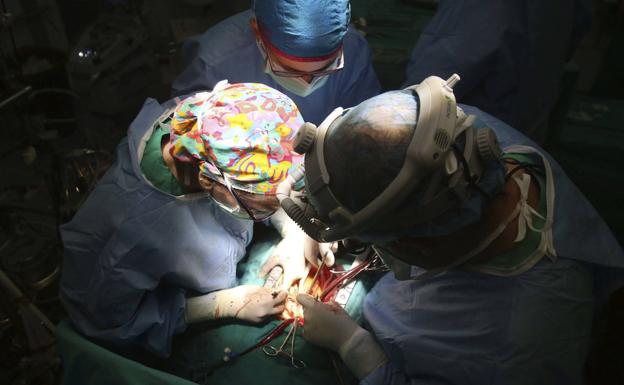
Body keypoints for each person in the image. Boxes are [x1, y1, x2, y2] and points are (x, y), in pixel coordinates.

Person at [282, 75, 624, 384]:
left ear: (420, 247)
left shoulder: (518, 349)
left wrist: (354, 347)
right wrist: (317, 220)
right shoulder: (453, 137)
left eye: (382, 241)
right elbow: (370, 147)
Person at [60, 82, 329, 357]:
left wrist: (296, 230)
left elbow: (265, 170)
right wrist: (216, 306)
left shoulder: (217, 119)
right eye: (264, 206)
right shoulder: (131, 230)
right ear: (208, 181)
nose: (274, 208)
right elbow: (105, 322)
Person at [172, 0, 381, 125]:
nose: (308, 83)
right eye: (289, 70)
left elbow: (362, 123)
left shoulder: (353, 49)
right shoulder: (214, 63)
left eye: (325, 69)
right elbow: (184, 130)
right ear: (257, 32)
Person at [403, 0, 592, 138]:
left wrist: (397, 121)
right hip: (525, 134)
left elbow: (429, 86)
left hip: (468, 142)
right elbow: (572, 36)